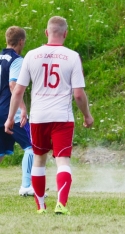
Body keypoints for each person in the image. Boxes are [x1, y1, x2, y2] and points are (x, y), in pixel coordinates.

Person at [5, 16, 94, 214]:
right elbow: (78, 94)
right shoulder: (72, 56)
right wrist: (87, 115)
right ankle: (61, 204)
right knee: (62, 160)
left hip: (39, 117)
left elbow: (18, 91)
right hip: (62, 117)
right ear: (65, 34)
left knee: (39, 159)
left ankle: (41, 207)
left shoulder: (31, 56)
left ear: (46, 32)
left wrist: (11, 118)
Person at [0, 26, 34, 196]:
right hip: (9, 110)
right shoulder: (16, 60)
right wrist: (22, 108)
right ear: (21, 41)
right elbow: (13, 85)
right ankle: (26, 186)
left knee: (1, 150)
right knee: (31, 146)